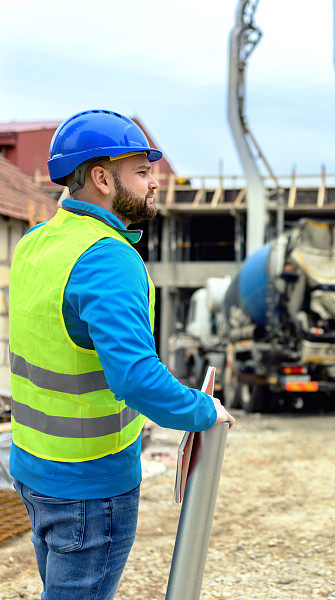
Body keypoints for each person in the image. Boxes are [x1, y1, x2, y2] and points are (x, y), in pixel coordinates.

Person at [8, 109, 235, 600]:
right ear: (102, 178)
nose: (155, 182)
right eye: (142, 170)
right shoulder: (109, 258)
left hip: (32, 469)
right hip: (88, 487)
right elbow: (134, 378)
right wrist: (202, 409)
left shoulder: (36, 242)